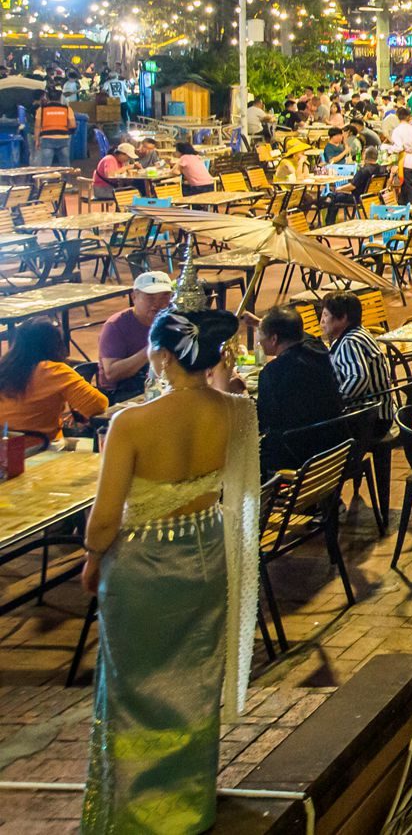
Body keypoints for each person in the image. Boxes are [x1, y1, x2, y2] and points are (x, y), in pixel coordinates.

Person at [79, 307, 259, 834]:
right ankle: (189, 803)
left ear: (160, 356)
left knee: (136, 691)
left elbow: (105, 517)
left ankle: (141, 815)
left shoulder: (131, 423)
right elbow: (228, 393)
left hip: (144, 564)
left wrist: (92, 559)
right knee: (194, 685)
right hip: (206, 552)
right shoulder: (236, 414)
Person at [242, 306, 343, 478]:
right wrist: (262, 323)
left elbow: (260, 422)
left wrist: (242, 391)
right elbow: (300, 335)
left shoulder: (273, 372)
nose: (259, 339)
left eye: (261, 335)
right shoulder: (318, 350)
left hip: (297, 452)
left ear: (274, 339)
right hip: (332, 445)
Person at [0, 318, 110, 446]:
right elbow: (98, 405)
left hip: (5, 451)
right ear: (55, 344)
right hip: (40, 449)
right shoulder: (54, 371)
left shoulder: (4, 368)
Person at [94, 271, 176, 404]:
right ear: (134, 297)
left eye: (164, 298)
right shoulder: (115, 326)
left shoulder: (173, 320)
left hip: (163, 385)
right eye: (150, 298)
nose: (157, 304)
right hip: (121, 394)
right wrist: (151, 349)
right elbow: (111, 374)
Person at [319, 292, 393, 419]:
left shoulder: (350, 341)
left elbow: (358, 377)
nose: (322, 321)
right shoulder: (359, 332)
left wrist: (337, 402)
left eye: (326, 315)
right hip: (377, 414)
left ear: (343, 318)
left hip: (370, 419)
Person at [32, 90, 75, 166]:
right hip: (63, 139)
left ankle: (46, 178)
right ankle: (65, 177)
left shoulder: (41, 109)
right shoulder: (67, 109)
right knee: (65, 166)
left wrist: (37, 140)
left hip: (47, 139)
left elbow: (37, 126)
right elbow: (72, 125)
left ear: (48, 98)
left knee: (46, 165)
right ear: (60, 98)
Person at [390, 109, 412, 205]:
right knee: (408, 185)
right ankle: (402, 206)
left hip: (404, 160)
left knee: (408, 186)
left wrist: (390, 150)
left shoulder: (397, 130)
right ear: (409, 117)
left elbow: (398, 147)